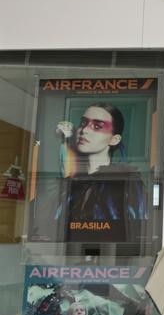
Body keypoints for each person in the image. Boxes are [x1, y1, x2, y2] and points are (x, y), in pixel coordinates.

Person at [54, 102, 147, 238]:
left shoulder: (128, 183)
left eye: (97, 126)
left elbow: (138, 231)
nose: (84, 130)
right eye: (83, 123)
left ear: (114, 139)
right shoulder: (70, 185)